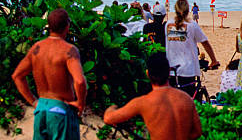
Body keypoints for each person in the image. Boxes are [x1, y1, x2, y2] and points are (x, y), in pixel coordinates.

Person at [12, 9, 87, 140]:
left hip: (41, 109)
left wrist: (33, 101)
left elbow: (17, 76)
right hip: (61, 110)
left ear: (49, 26)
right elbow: (80, 81)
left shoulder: (37, 48)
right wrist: (80, 103)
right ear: (67, 26)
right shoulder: (69, 50)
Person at [103, 53, 202, 140]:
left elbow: (108, 118)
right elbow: (197, 132)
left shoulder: (144, 102)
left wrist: (112, 107)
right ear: (168, 72)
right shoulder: (186, 99)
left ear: (147, 74)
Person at [165, 0, 220, 99]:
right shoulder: (192, 25)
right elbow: (205, 43)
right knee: (188, 100)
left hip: (171, 69)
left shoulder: (168, 24)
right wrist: (214, 60)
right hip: (187, 69)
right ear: (188, 9)